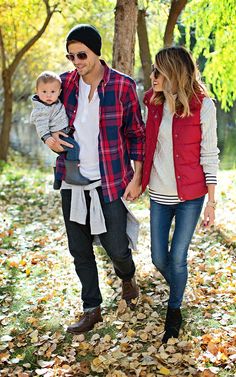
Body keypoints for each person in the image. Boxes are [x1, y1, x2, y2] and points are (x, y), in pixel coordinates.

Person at [44, 24, 145, 334]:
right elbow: (41, 113)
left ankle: (127, 276)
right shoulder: (62, 84)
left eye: (82, 54)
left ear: (96, 51)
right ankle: (92, 308)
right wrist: (47, 137)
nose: (76, 61)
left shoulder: (122, 86)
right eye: (71, 55)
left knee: (116, 247)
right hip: (73, 180)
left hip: (110, 180)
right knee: (79, 249)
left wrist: (137, 178)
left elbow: (136, 136)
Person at [142, 46, 219, 343]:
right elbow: (147, 145)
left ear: (174, 72)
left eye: (158, 71)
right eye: (152, 71)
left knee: (177, 258)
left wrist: (212, 202)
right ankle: (180, 289)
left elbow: (209, 154)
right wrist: (138, 178)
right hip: (159, 194)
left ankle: (174, 312)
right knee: (158, 257)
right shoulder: (152, 101)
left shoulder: (204, 106)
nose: (153, 77)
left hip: (190, 196)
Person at [30, 71, 91, 189]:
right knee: (74, 148)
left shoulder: (53, 102)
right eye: (44, 92)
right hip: (57, 137)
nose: (48, 95)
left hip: (64, 132)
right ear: (37, 91)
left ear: (59, 92)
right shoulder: (41, 109)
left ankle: (58, 178)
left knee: (64, 155)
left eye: (52, 92)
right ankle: (72, 176)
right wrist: (47, 138)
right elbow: (41, 125)